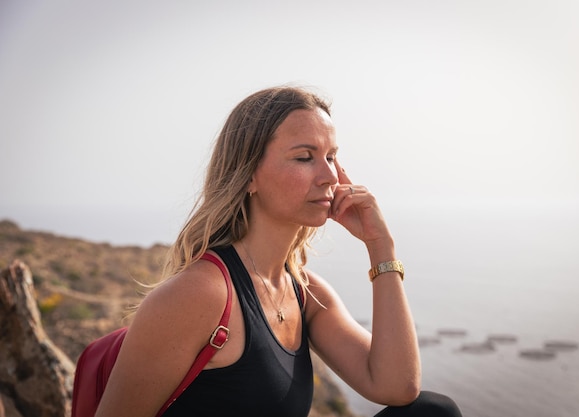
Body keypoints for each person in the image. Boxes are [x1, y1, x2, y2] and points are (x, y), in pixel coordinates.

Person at [94, 86, 462, 417]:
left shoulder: (305, 293)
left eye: (331, 156)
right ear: (249, 174)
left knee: (431, 413)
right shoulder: (199, 294)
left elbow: (396, 387)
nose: (330, 177)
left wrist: (381, 247)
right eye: (305, 157)